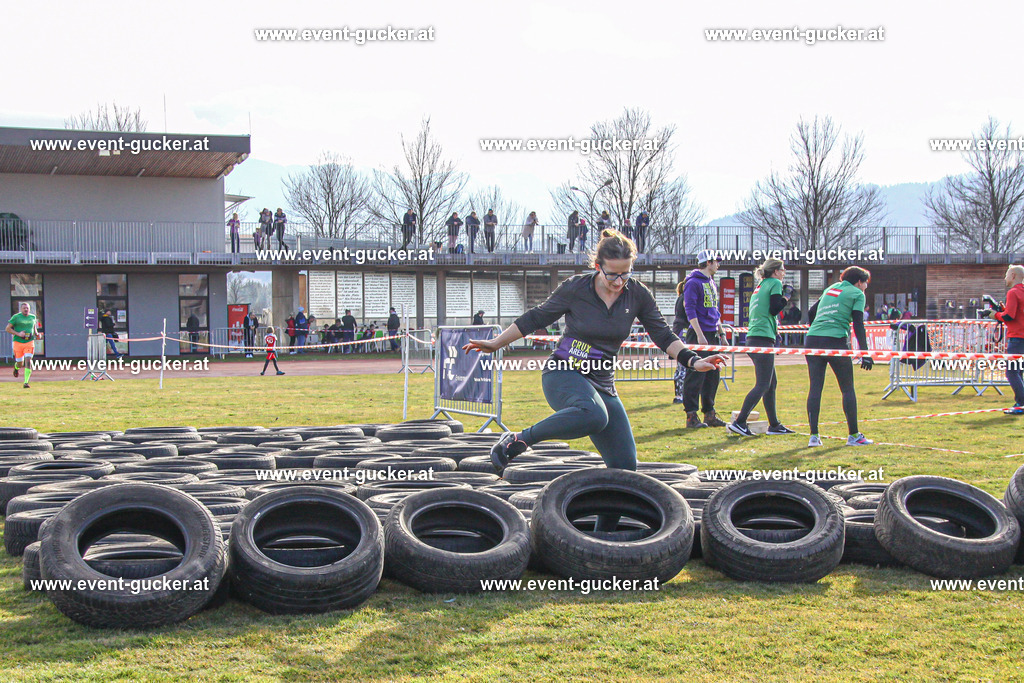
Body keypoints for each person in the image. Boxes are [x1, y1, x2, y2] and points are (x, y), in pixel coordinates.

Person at [463, 229, 725, 531]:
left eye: (626, 274)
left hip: (602, 382)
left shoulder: (637, 294)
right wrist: (496, 343)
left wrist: (693, 360)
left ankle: (601, 538)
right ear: (597, 266)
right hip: (564, 372)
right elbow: (537, 317)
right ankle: (517, 440)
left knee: (625, 467)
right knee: (593, 414)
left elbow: (663, 334)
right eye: (613, 275)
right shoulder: (576, 288)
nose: (619, 282)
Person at [805, 266, 875, 447]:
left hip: (812, 339)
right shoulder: (858, 294)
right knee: (847, 389)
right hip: (835, 340)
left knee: (815, 388)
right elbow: (858, 325)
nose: (866, 287)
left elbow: (812, 312)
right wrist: (865, 353)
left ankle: (814, 436)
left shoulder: (831, 288)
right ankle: (853, 435)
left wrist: (819, 327)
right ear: (860, 281)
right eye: (865, 283)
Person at [728, 259, 797, 437]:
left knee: (771, 383)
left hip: (755, 336)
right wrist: (787, 296)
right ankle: (740, 422)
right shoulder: (774, 283)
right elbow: (775, 309)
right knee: (763, 384)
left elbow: (766, 312)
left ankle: (774, 425)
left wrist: (776, 332)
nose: (784, 272)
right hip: (762, 339)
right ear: (775, 272)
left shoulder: (761, 285)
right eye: (782, 269)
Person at [681, 249, 726, 428]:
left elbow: (715, 310)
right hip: (699, 333)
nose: (718, 264)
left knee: (713, 373)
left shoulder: (711, 281)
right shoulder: (693, 282)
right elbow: (689, 309)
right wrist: (699, 334)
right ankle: (691, 416)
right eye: (716, 261)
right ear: (708, 262)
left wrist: (721, 332)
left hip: (712, 333)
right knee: (695, 374)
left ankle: (709, 413)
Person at [980, 264, 1024, 414]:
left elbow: (1009, 316)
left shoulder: (1013, 292)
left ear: (1013, 276)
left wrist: (994, 314)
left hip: (1017, 338)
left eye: (1006, 274)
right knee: (1019, 372)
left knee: (1012, 372)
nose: (1005, 277)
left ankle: (1021, 403)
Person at [6, 302, 40, 389]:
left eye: (27, 308)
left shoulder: (32, 317)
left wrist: (37, 334)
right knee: (20, 363)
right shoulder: (16, 317)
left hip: (29, 342)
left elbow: (34, 327)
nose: (26, 310)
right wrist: (18, 334)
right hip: (18, 342)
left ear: (29, 309)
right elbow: (8, 329)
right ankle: (16, 368)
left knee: (28, 361)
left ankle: (26, 382)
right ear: (21, 309)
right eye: (24, 308)